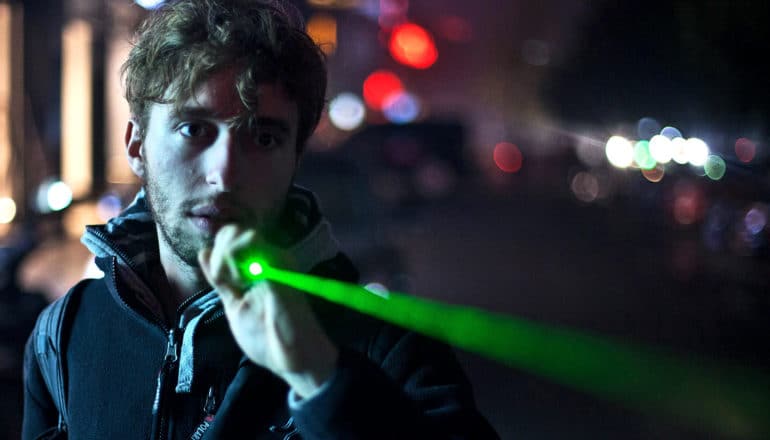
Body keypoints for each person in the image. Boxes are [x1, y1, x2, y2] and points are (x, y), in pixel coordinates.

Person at [23, 0, 499, 438]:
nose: (225, 174)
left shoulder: (390, 353)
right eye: (194, 129)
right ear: (137, 146)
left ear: (296, 157)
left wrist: (320, 379)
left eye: (264, 137)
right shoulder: (63, 335)